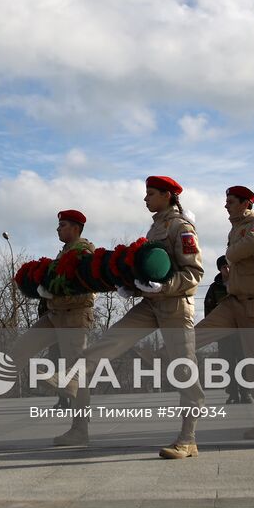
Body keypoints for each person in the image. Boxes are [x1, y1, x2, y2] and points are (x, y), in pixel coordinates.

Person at [75, 176, 207, 459]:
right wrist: (132, 286)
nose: (145, 199)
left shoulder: (182, 227)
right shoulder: (155, 227)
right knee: (114, 336)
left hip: (175, 307)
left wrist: (164, 287)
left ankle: (188, 438)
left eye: (150, 194)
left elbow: (194, 274)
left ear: (167, 196)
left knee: (184, 372)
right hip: (151, 304)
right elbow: (151, 269)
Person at [1, 209, 96, 446]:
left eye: (62, 225)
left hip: (74, 317)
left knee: (77, 373)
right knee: (22, 347)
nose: (58, 229)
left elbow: (81, 288)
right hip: (54, 314)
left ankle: (79, 428)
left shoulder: (84, 252)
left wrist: (52, 291)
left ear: (75, 228)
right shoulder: (65, 251)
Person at [196, 186, 254, 438]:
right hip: (234, 302)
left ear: (246, 203)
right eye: (226, 201)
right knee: (191, 337)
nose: (226, 205)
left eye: (230, 201)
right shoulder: (234, 229)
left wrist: (229, 255)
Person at [203, 255, 247, 405]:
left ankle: (245, 393)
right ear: (220, 269)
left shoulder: (240, 284)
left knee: (243, 364)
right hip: (224, 333)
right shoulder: (215, 288)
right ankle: (232, 394)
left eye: (228, 266)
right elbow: (209, 311)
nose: (227, 269)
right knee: (228, 365)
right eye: (223, 267)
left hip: (241, 332)